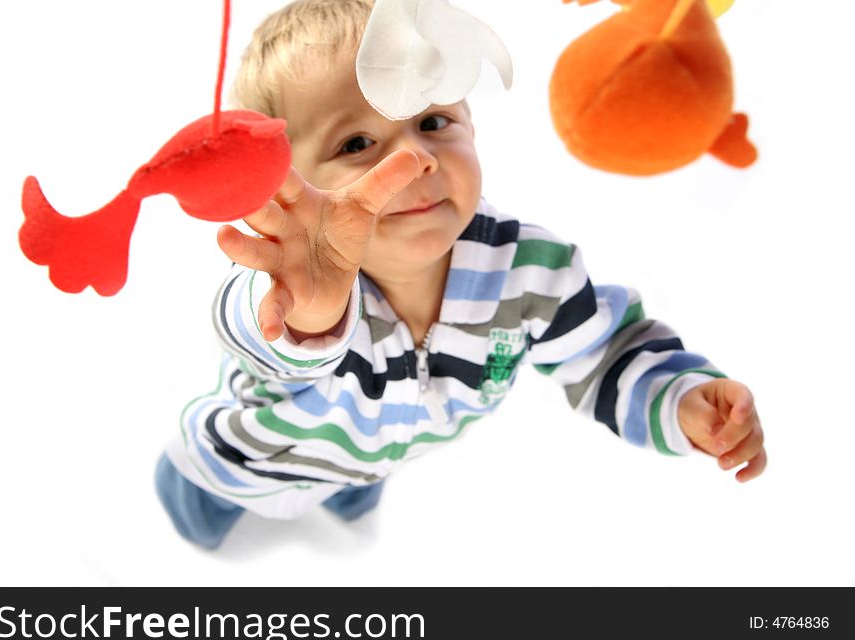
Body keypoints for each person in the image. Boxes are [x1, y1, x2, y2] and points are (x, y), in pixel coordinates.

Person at [155, 0, 766, 549]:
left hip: (375, 461)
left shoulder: (530, 271)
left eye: (433, 122)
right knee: (198, 536)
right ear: (285, 185)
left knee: (354, 513)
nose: (415, 160)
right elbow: (257, 331)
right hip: (241, 461)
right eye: (358, 143)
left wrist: (680, 399)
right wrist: (311, 305)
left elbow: (605, 353)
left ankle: (348, 499)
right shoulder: (296, 279)